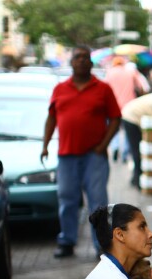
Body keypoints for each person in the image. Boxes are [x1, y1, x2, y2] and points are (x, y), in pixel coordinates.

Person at [42, 46, 121, 259]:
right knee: (67, 199)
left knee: (98, 203)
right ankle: (67, 241)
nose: (82, 61)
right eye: (78, 57)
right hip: (66, 155)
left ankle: (101, 247)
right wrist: (45, 144)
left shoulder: (103, 88)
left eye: (86, 58)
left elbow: (116, 118)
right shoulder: (60, 89)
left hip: (94, 156)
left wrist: (103, 145)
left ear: (91, 63)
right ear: (72, 62)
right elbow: (51, 118)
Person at [104, 56, 151, 164]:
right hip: (129, 105)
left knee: (113, 128)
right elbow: (143, 86)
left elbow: (105, 88)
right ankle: (125, 153)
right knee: (126, 130)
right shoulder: (130, 72)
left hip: (113, 104)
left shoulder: (110, 72)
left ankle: (115, 147)